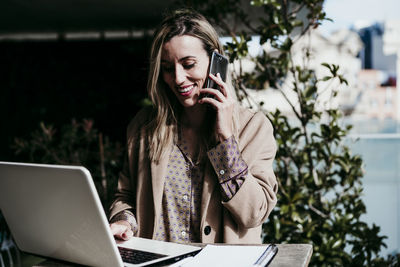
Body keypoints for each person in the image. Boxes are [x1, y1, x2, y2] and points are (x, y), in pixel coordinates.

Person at [109, 9, 278, 244]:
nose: (177, 78)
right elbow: (126, 195)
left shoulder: (254, 128)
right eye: (168, 68)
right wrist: (125, 221)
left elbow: (254, 214)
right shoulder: (144, 126)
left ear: (216, 62)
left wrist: (226, 140)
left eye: (188, 64)